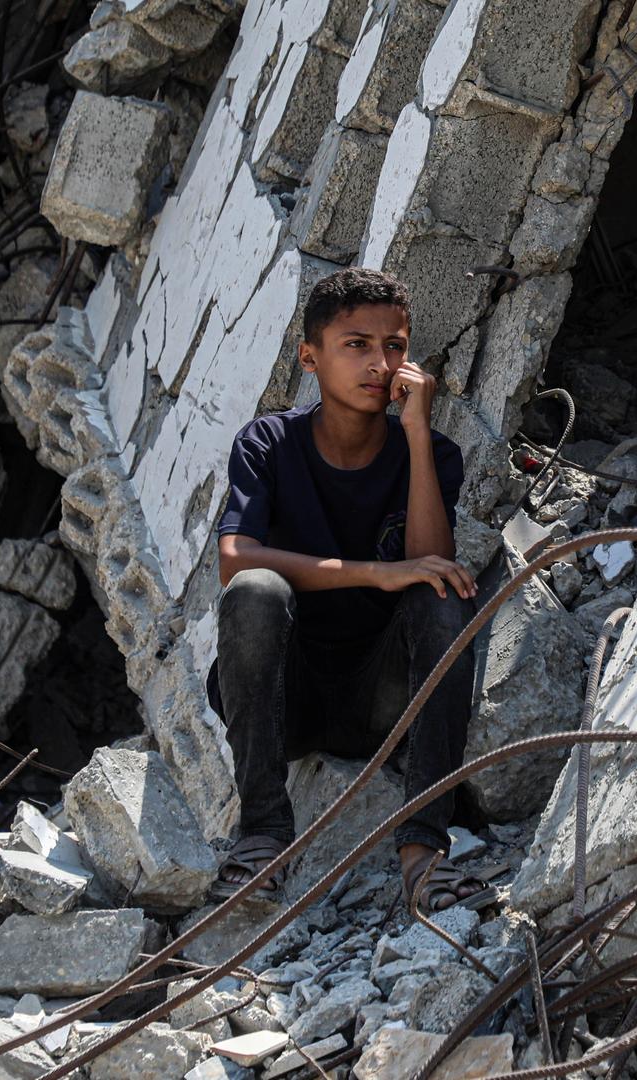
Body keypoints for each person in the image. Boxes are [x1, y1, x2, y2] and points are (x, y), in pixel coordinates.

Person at [204, 266, 492, 915]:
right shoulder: (269, 444)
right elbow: (233, 558)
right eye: (356, 345)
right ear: (310, 358)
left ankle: (422, 852)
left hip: (380, 701)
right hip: (289, 700)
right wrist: (372, 572)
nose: (379, 364)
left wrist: (416, 433)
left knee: (445, 595)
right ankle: (262, 836)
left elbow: (432, 565)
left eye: (394, 346)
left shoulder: (434, 454)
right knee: (254, 590)